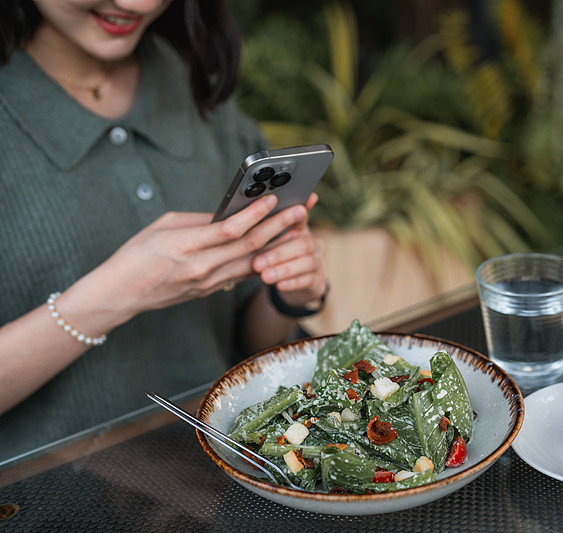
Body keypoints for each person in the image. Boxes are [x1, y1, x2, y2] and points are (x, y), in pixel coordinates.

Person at [0, 0, 329, 462]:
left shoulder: (193, 81)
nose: (138, 3)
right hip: (49, 499)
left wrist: (287, 293)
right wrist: (118, 293)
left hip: (229, 474)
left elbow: (244, 342)